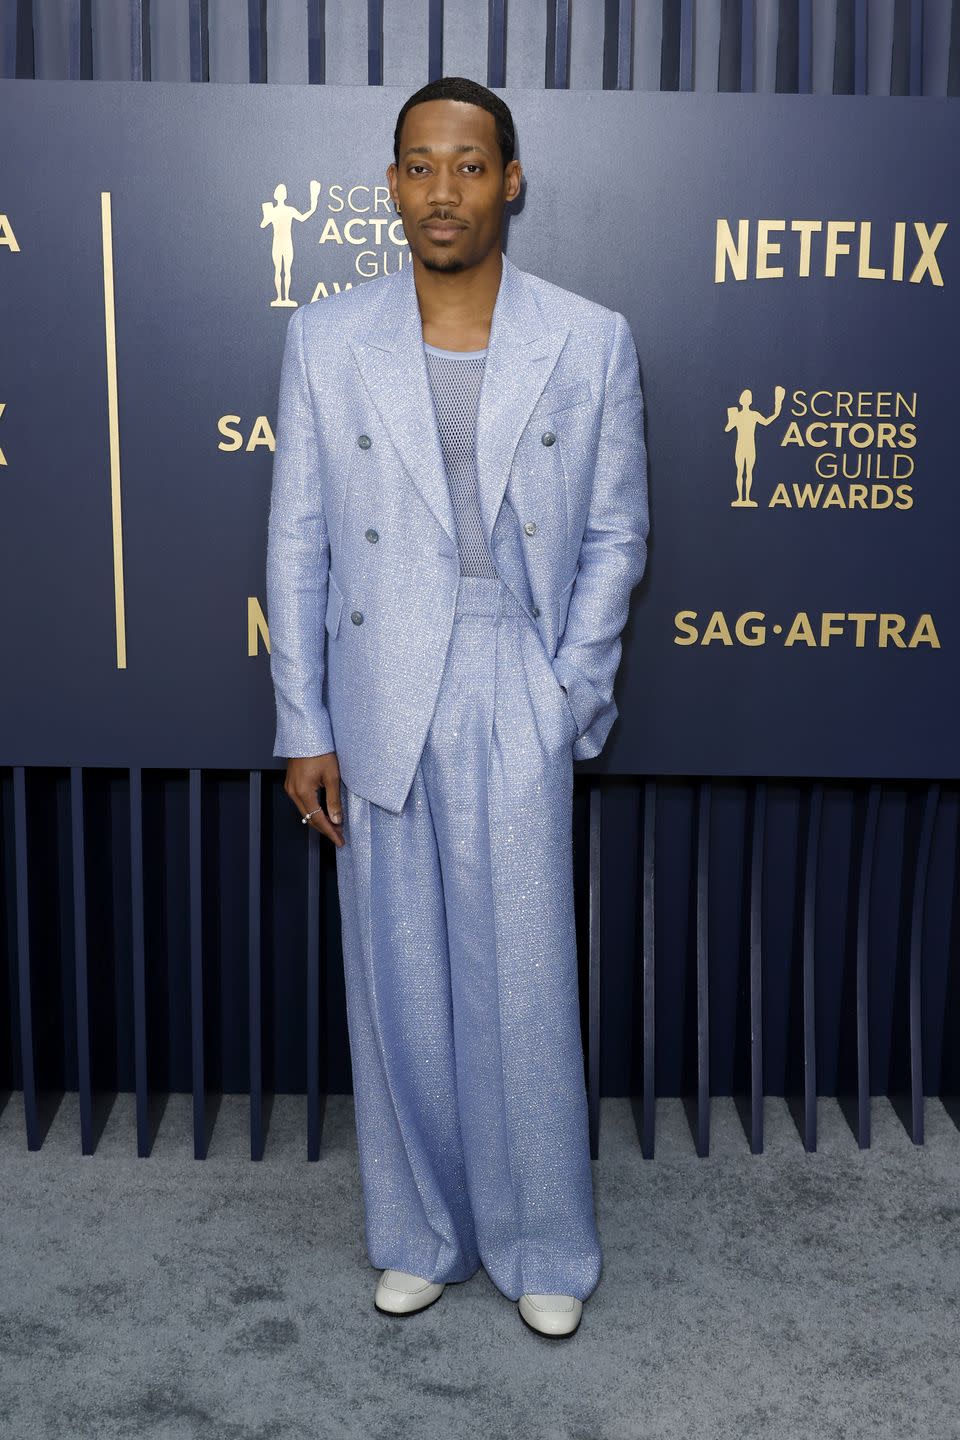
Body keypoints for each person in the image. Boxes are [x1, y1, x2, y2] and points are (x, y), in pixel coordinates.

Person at [265, 75, 649, 1338]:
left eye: (471, 165)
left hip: (511, 675)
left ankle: (543, 1241)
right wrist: (302, 722)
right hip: (380, 682)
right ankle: (421, 1231)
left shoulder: (588, 339)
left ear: (512, 180)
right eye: (421, 165)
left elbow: (613, 533)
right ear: (391, 186)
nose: (445, 190)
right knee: (396, 978)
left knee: (524, 980)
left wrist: (566, 694)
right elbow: (300, 545)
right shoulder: (328, 339)